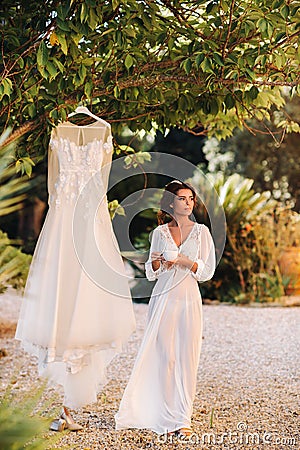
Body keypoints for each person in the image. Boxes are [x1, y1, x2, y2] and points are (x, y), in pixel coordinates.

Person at [15, 115, 136, 431]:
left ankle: (69, 403)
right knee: (66, 290)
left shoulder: (101, 131)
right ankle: (67, 403)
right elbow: (61, 187)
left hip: (82, 223)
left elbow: (59, 185)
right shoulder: (63, 131)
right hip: (70, 226)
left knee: (85, 295)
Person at [115, 180, 216, 436]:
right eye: (182, 198)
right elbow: (150, 272)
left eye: (191, 198)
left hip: (188, 298)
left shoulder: (201, 232)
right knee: (166, 357)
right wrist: (159, 263)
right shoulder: (159, 233)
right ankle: (165, 414)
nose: (188, 203)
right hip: (163, 297)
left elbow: (207, 271)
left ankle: (183, 419)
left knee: (187, 356)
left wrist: (185, 261)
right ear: (171, 203)